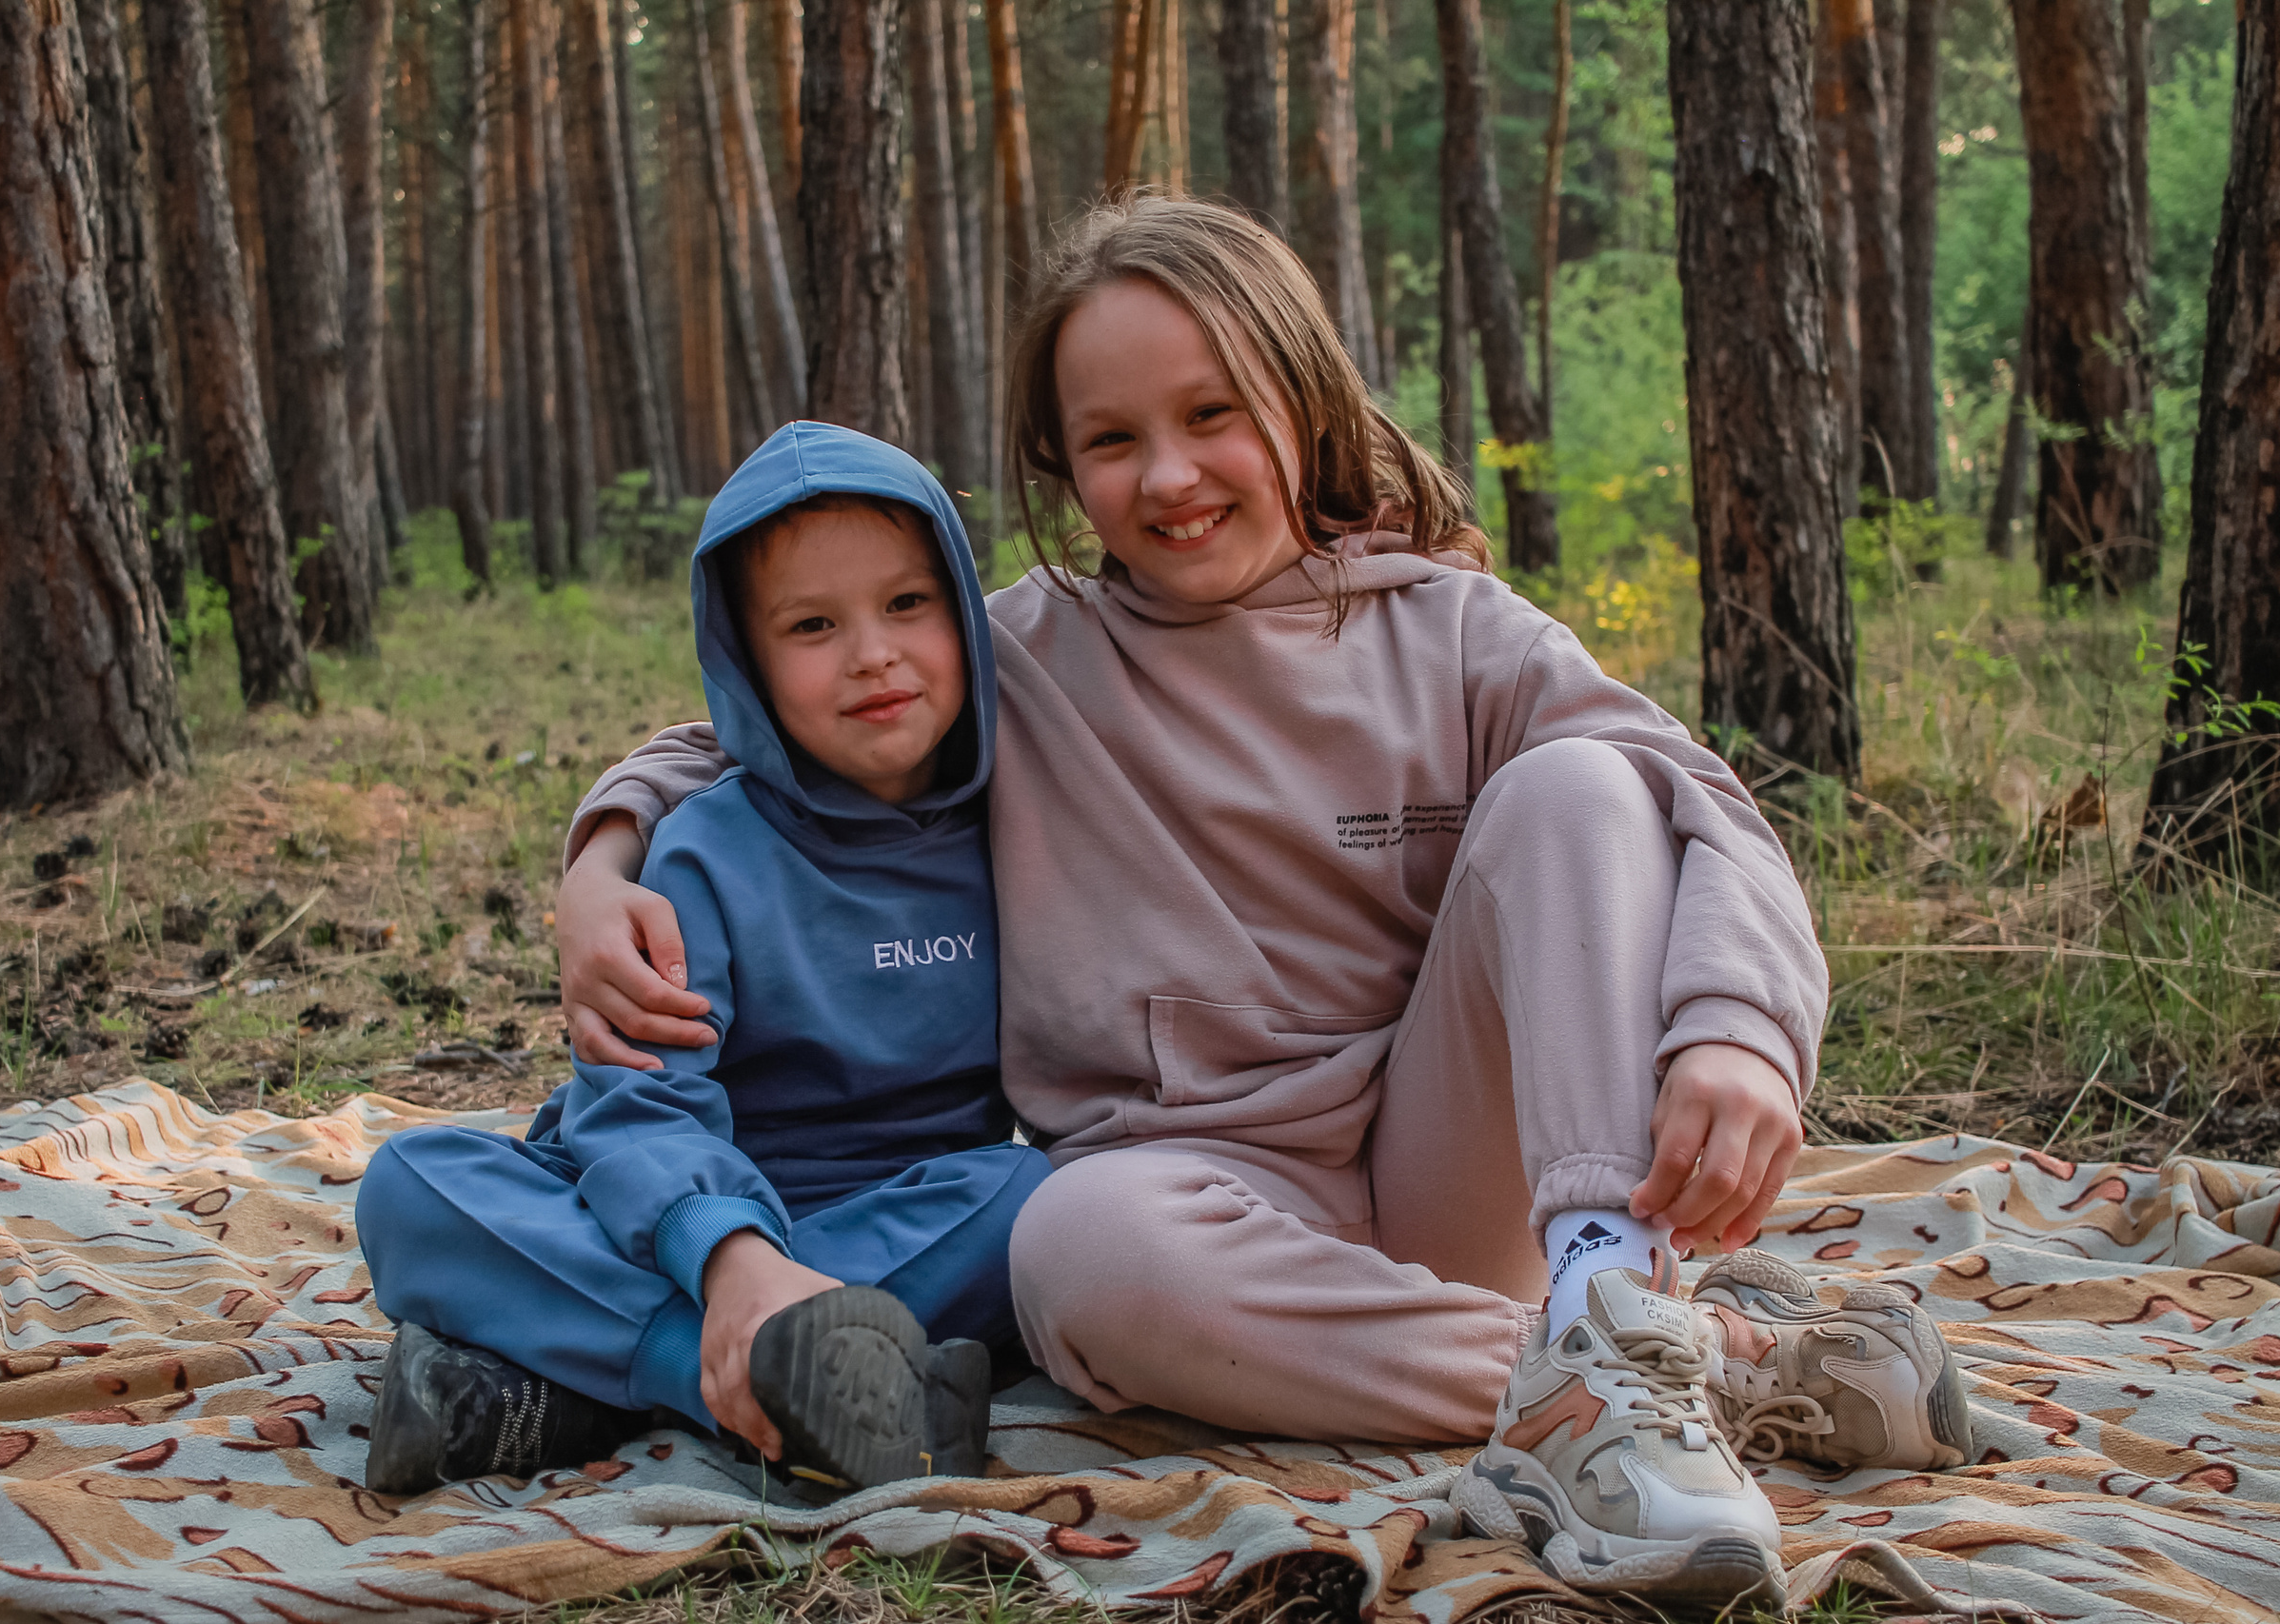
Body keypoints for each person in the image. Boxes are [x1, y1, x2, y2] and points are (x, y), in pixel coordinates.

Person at [554, 197, 1967, 1606]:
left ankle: (1604, 1284)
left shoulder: (1453, 629)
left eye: (1212, 413)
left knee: (1583, 786)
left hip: (1455, 1173)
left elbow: (1694, 795)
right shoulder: (1021, 660)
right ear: (1062, 462)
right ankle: (1676, 1369)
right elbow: (763, 729)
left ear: (1303, 398)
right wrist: (602, 859)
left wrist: (1736, 1027)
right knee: (1071, 1246)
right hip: (1200, 1201)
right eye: (1112, 440)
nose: (1168, 477)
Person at [358, 422, 1049, 1497]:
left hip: (905, 1213)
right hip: (679, 1206)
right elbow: (638, 1103)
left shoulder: (1026, 826)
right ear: (747, 661)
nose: (872, 652)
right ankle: (769, 1381)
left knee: (1038, 1197)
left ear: (964, 607)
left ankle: (554, 1389)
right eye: (812, 624)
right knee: (411, 1185)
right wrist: (731, 1259)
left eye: (907, 604)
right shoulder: (704, 848)